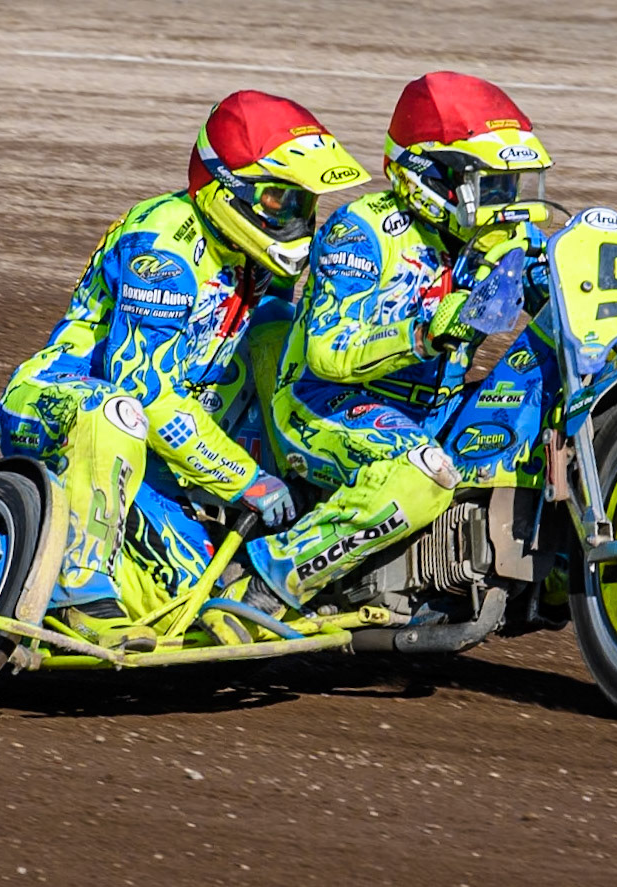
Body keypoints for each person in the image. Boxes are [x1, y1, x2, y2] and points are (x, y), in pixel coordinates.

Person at [0, 90, 370, 651]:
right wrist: (246, 480)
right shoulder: (164, 248)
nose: (296, 220)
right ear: (228, 187)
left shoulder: (257, 257)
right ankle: (79, 597)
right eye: (279, 201)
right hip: (62, 408)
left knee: (190, 603)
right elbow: (142, 392)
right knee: (115, 411)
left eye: (304, 204)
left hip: (156, 445)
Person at [204, 71, 554, 642]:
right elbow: (328, 352)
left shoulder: (505, 239)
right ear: (433, 179)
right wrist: (422, 334)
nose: (508, 204)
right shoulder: (361, 232)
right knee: (424, 470)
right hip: (325, 404)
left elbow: (562, 288)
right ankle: (267, 580)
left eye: (513, 185)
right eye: (492, 186)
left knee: (540, 400)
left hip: (434, 412)